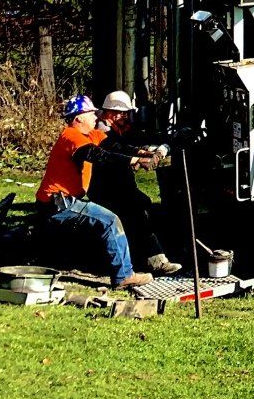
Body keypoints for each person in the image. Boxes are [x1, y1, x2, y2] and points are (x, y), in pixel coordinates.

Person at [35, 95, 145, 289]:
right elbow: (96, 155)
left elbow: (115, 147)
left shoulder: (91, 134)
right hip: (58, 204)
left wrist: (142, 153)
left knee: (103, 222)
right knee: (110, 221)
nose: (96, 116)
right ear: (78, 118)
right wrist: (133, 161)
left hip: (66, 200)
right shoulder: (70, 136)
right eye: (91, 113)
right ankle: (124, 276)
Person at [91, 91, 181, 276]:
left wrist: (147, 150)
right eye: (123, 114)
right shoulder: (102, 133)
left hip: (119, 187)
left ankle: (139, 255)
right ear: (110, 113)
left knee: (145, 206)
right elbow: (118, 150)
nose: (126, 117)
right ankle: (155, 261)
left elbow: (130, 142)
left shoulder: (114, 129)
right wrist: (140, 157)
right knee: (138, 214)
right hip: (108, 190)